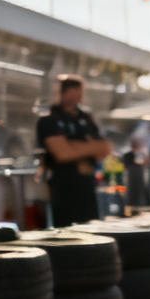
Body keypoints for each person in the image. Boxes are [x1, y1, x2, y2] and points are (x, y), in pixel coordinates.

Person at [37, 74, 111, 227]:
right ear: (61, 92)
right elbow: (62, 154)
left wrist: (73, 146)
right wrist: (89, 147)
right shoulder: (50, 119)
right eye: (72, 92)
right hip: (63, 188)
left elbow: (104, 148)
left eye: (79, 93)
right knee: (66, 233)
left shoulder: (86, 118)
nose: (76, 97)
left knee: (92, 230)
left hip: (87, 186)